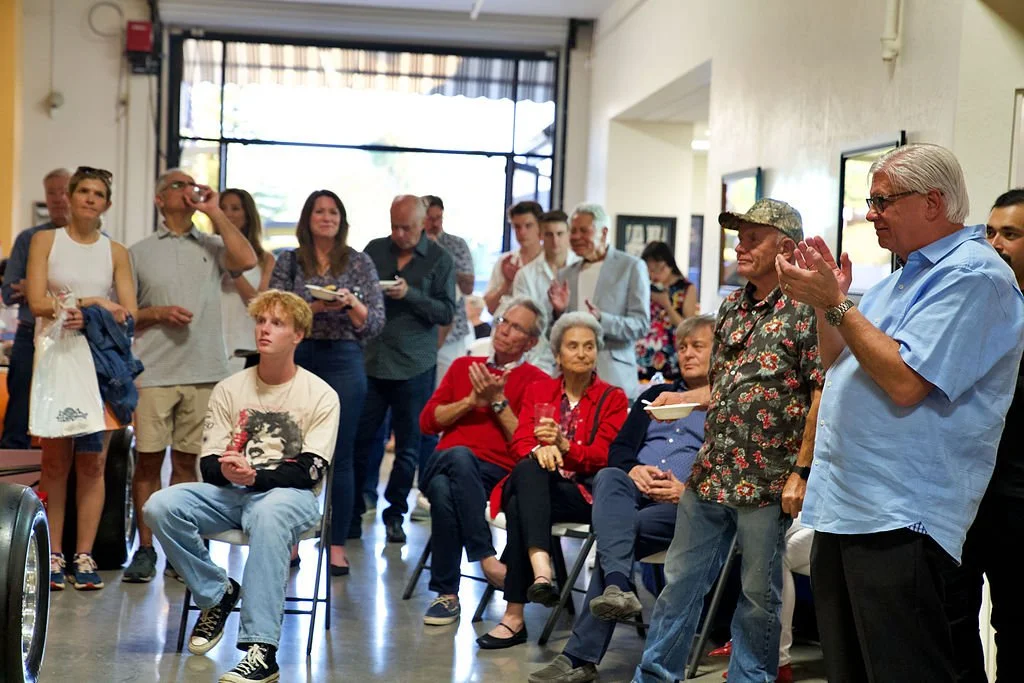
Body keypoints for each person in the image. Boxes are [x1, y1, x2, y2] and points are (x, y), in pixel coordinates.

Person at [777, 144, 1024, 682]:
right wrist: (829, 303)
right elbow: (836, 360)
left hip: (901, 513)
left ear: (932, 202)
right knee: (851, 669)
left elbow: (906, 382)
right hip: (849, 505)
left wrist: (840, 306)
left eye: (882, 200)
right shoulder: (902, 277)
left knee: (903, 669)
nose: (871, 213)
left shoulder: (975, 277)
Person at [634, 198, 823, 683]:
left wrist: (801, 471)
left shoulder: (806, 310)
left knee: (759, 598)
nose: (740, 245)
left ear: (785, 245)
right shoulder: (731, 307)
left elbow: (821, 389)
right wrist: (686, 398)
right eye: (738, 235)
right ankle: (655, 675)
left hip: (767, 479)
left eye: (751, 237)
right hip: (712, 469)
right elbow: (729, 385)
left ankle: (751, 678)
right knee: (679, 584)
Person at [143, 290, 340, 683]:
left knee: (267, 513)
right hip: (233, 495)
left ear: (298, 335)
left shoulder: (321, 394)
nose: (265, 329)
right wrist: (230, 474)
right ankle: (217, 593)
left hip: (290, 497)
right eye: (261, 321)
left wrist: (257, 478)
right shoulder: (230, 388)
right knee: (160, 505)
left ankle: (260, 650)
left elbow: (310, 471)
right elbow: (208, 463)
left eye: (277, 323)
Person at [530, 314, 714, 683]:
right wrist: (632, 470)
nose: (688, 354)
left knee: (622, 534)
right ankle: (618, 585)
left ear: (720, 352)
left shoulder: (725, 402)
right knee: (610, 476)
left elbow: (728, 463)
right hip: (633, 491)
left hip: (685, 503)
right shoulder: (652, 396)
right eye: (683, 347)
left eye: (699, 346)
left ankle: (580, 655)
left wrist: (687, 489)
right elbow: (620, 451)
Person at [124, 169, 258, 583]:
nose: (188, 191)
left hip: (204, 371)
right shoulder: (137, 252)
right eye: (178, 186)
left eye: (191, 185)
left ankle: (181, 554)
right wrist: (158, 313)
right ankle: (145, 551)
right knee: (147, 462)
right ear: (160, 199)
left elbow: (248, 259)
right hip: (154, 370)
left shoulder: (213, 244)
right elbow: (125, 314)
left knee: (187, 463)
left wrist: (215, 211)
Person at [477, 312, 628, 650]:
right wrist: (538, 450)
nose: (582, 353)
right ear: (558, 355)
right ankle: (541, 573)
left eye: (589, 346)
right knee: (529, 473)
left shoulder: (612, 398)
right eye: (572, 346)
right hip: (537, 489)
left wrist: (564, 447)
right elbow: (519, 442)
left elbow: (605, 456)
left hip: (584, 494)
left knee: (522, 493)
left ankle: (515, 615)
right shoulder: (539, 390)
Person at [25, 166, 137, 590]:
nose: (90, 198)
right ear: (69, 198)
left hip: (102, 365)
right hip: (56, 357)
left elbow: (127, 311)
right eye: (83, 191)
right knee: (55, 462)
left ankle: (84, 554)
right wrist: (91, 303)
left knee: (93, 464)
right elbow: (37, 301)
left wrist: (86, 307)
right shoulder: (45, 241)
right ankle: (51, 552)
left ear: (106, 204)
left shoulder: (116, 252)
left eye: (98, 193)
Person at [268, 189, 385, 576]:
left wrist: (349, 304)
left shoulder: (359, 262)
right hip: (297, 357)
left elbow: (374, 323)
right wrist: (314, 306)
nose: (326, 217)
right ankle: (291, 540)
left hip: (345, 359)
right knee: (291, 451)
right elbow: (275, 310)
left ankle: (336, 544)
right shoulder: (289, 260)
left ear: (342, 219)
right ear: (308, 218)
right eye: (319, 211)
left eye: (333, 211)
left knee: (342, 455)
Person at [417, 297, 549, 626]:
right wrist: (470, 401)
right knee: (458, 458)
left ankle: (446, 594)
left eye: (516, 327)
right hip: (444, 458)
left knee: (444, 491)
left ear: (530, 342)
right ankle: (487, 558)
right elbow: (428, 422)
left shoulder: (537, 381)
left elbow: (526, 444)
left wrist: (497, 401)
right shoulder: (465, 366)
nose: (504, 329)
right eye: (504, 320)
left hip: (494, 475)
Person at [943, 188, 1024, 682]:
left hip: (1017, 499)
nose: (994, 243)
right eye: (989, 232)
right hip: (960, 493)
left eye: (1010, 234)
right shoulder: (971, 306)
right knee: (952, 621)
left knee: (1014, 626)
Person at [351, 194, 456, 544]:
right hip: (373, 359)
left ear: (424, 223)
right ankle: (353, 509)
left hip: (415, 364)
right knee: (361, 440)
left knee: (410, 447)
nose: (398, 233)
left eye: (406, 227)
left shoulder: (440, 259)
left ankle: (394, 513)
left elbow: (444, 312)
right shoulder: (374, 250)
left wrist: (409, 294)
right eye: (393, 225)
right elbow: (356, 292)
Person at [548, 203, 650, 400]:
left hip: (613, 376)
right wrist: (559, 313)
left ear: (603, 233)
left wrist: (601, 319)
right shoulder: (565, 274)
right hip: (569, 378)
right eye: (573, 231)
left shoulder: (631, 267)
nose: (575, 237)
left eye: (583, 231)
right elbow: (552, 335)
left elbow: (641, 325)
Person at [1, 168, 70, 449]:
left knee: (67, 420)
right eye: (51, 192)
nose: (57, 198)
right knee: (18, 416)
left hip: (72, 339)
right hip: (30, 336)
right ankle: (11, 487)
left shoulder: (94, 241)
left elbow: (91, 294)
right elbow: (9, 292)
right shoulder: (28, 239)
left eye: (64, 191)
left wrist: (34, 287)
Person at [512, 210, 580, 375]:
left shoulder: (582, 269)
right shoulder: (525, 275)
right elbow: (523, 322)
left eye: (560, 233)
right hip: (539, 357)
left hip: (578, 353)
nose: (555, 240)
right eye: (549, 234)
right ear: (540, 235)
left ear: (569, 234)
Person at [217, 188, 275, 371]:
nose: (228, 214)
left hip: (247, 346)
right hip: (213, 344)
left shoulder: (265, 260)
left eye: (235, 209)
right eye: (223, 208)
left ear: (247, 214)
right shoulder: (209, 251)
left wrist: (236, 273)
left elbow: (259, 305)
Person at [635, 241, 697, 382]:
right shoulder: (645, 288)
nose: (653, 275)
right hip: (643, 357)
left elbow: (689, 328)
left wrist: (666, 305)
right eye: (649, 270)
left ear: (668, 264)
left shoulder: (686, 288)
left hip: (671, 357)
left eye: (657, 268)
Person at [484, 201, 544, 314]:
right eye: (517, 227)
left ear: (540, 226)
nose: (522, 232)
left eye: (528, 226)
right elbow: (490, 309)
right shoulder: (505, 262)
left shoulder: (551, 261)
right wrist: (506, 284)